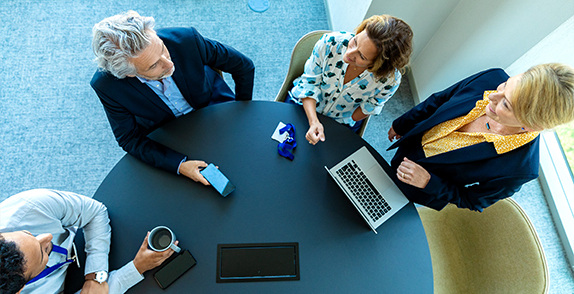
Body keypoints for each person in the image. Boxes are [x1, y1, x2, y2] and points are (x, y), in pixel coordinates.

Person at [90, 11, 255, 185]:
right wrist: (180, 165)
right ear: (129, 74)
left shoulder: (186, 39)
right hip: (168, 133)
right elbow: (129, 138)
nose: (169, 64)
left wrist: (242, 109)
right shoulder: (107, 86)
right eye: (154, 65)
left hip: (215, 108)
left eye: (162, 48)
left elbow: (244, 66)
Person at [387, 63, 574, 211]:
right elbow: (440, 99)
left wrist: (428, 182)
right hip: (409, 145)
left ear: (532, 125)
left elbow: (472, 200)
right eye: (506, 86)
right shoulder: (492, 78)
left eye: (506, 105)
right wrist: (402, 124)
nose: (493, 96)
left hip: (415, 186)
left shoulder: (520, 169)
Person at [0, 189, 176, 294]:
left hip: (83, 248)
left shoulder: (27, 206)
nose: (47, 237)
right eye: (42, 254)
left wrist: (95, 276)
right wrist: (137, 267)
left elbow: (95, 212)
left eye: (28, 233)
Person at [288, 15, 413, 144]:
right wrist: (314, 121)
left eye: (362, 56)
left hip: (341, 122)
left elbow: (369, 107)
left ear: (377, 65)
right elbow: (309, 84)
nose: (349, 54)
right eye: (355, 41)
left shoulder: (390, 80)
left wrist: (340, 123)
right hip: (303, 104)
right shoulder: (330, 42)